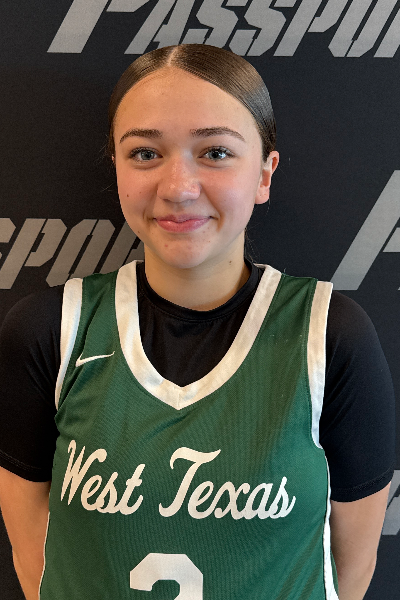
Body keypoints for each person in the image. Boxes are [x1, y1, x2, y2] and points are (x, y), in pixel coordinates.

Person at [0, 44, 396, 600]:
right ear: (117, 166)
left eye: (215, 152)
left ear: (264, 173)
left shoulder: (330, 336)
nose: (179, 188)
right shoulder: (49, 331)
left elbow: (350, 568)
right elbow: (36, 558)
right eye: (145, 153)